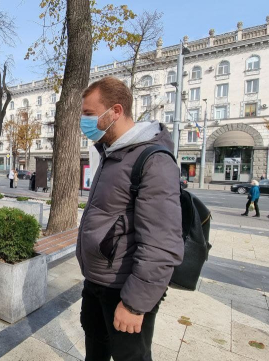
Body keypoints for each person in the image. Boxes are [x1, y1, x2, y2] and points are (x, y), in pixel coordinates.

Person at [76, 76, 183, 361]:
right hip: (97, 282)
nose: (83, 122)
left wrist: (135, 305)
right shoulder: (110, 153)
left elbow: (162, 242)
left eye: (88, 114)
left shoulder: (153, 160)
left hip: (124, 290)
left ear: (116, 111)